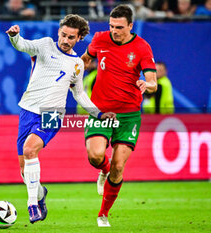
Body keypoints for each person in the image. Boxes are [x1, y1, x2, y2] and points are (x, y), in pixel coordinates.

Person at [5, 14, 116, 224]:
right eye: (63, 35)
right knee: (24, 170)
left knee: (30, 150)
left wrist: (99, 114)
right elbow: (23, 45)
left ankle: (31, 204)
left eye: (71, 37)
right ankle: (39, 194)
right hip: (27, 109)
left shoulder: (77, 64)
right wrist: (14, 36)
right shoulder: (45, 45)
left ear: (79, 38)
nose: (65, 40)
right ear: (58, 32)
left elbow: (79, 94)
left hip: (53, 113)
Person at [81, 4, 157, 227]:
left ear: (130, 26)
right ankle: (102, 170)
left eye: (120, 27)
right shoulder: (100, 39)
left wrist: (147, 83)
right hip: (101, 111)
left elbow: (152, 81)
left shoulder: (142, 47)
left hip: (129, 115)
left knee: (119, 167)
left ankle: (103, 214)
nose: (114, 30)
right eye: (112, 26)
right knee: (95, 156)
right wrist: (73, 72)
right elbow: (86, 59)